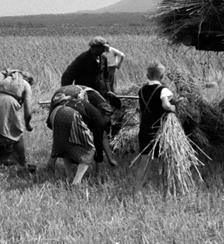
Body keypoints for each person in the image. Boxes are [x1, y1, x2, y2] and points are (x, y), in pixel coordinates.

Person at [46, 87, 118, 185]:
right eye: (109, 118)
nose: (109, 121)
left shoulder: (88, 107)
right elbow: (98, 145)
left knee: (66, 146)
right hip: (71, 114)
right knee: (89, 151)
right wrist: (98, 171)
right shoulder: (99, 120)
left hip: (56, 112)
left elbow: (50, 124)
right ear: (106, 115)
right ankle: (76, 182)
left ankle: (69, 177)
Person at [136, 62, 176, 190]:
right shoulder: (163, 90)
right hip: (159, 130)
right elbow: (165, 105)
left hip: (144, 129)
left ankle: (137, 189)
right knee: (165, 159)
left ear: (147, 75)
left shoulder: (141, 90)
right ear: (162, 76)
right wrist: (173, 107)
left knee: (144, 160)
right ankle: (165, 187)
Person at [0, 69, 33, 168]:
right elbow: (28, 112)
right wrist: (28, 125)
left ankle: (4, 159)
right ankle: (21, 162)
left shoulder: (4, 80)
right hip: (9, 104)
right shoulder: (25, 84)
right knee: (17, 133)